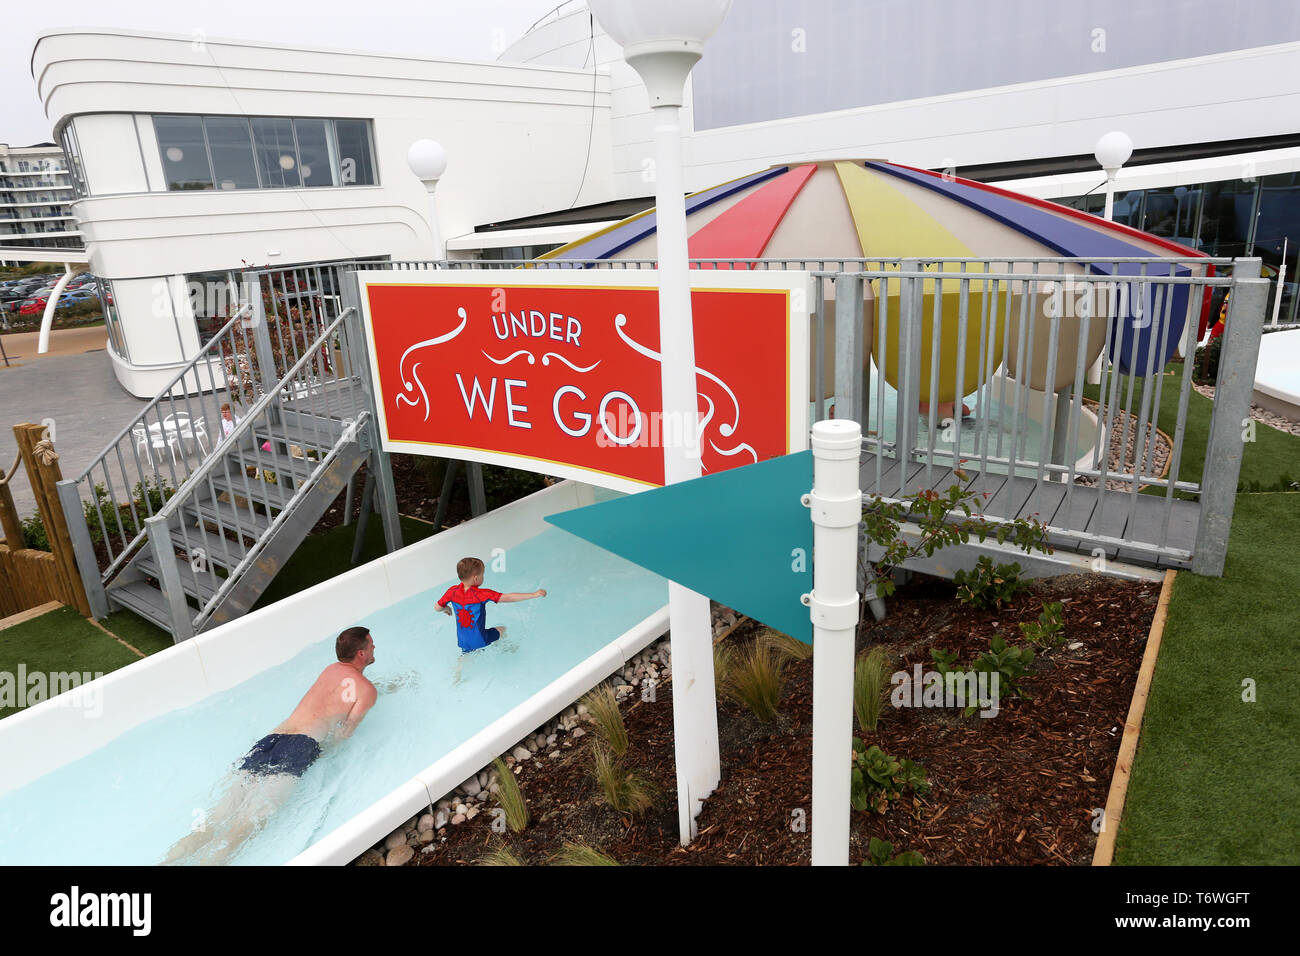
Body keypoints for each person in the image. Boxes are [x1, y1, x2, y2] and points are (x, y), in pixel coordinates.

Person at [161, 626, 379, 865]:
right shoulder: (367, 690)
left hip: (272, 739)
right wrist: (325, 754)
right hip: (301, 746)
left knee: (213, 820)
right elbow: (343, 734)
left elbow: (329, 699)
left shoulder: (330, 670)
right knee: (243, 827)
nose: (374, 647)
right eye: (370, 645)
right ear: (361, 653)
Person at [436, 556, 546, 652]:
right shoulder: (482, 594)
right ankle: (506, 649)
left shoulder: (452, 591)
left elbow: (437, 607)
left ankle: (457, 674)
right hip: (480, 639)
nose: (483, 577)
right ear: (475, 578)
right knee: (502, 629)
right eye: (482, 575)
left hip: (462, 641)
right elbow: (508, 597)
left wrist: (446, 608)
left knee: (467, 654)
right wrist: (533, 594)